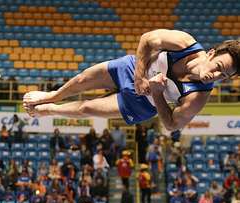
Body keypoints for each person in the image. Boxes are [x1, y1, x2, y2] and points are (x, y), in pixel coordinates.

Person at [23, 30, 239, 131]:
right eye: (219, 67)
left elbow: (172, 125)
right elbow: (146, 39)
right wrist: (140, 76)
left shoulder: (198, 96)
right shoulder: (185, 43)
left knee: (87, 108)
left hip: (145, 103)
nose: (217, 76)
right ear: (211, 53)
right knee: (81, 80)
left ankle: (51, 109)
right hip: (132, 69)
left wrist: (156, 92)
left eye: (224, 76)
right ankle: (52, 95)